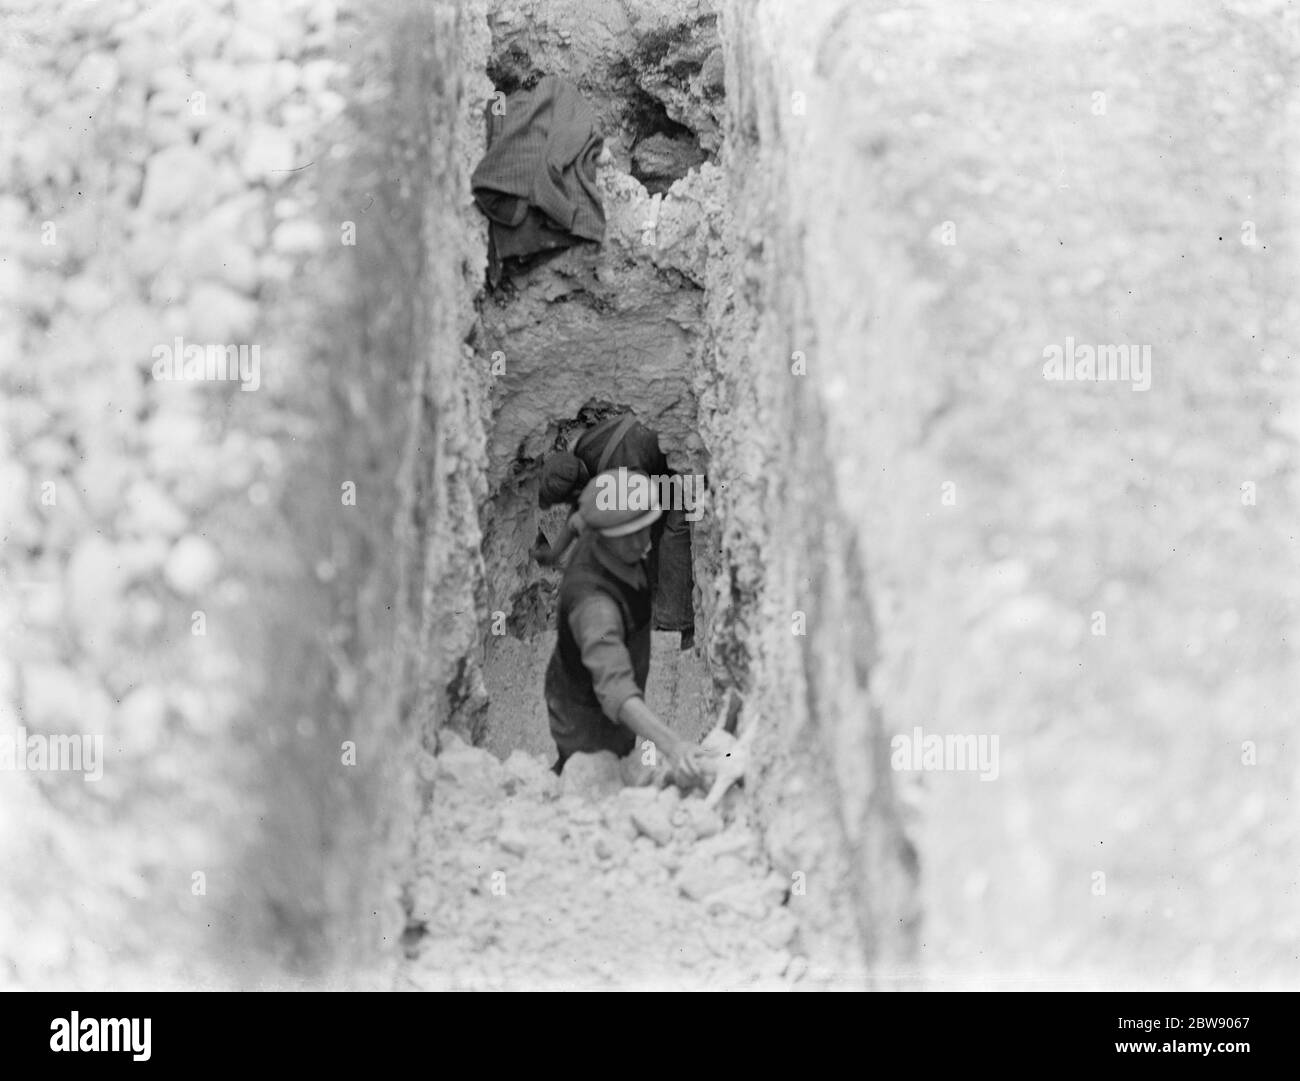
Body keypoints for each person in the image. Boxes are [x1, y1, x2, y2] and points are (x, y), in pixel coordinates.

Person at [543, 470, 705, 785]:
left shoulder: (597, 526)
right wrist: (674, 746)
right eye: (637, 533)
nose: (646, 542)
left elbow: (577, 520)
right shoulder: (596, 608)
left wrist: (553, 552)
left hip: (584, 686)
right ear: (611, 534)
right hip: (589, 719)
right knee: (593, 777)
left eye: (647, 527)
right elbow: (616, 690)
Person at [533, 411, 695, 648]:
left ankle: (676, 626)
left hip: (688, 461)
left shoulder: (617, 470)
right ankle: (655, 607)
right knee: (656, 532)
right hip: (660, 465)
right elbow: (578, 508)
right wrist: (556, 552)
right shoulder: (581, 453)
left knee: (674, 533)